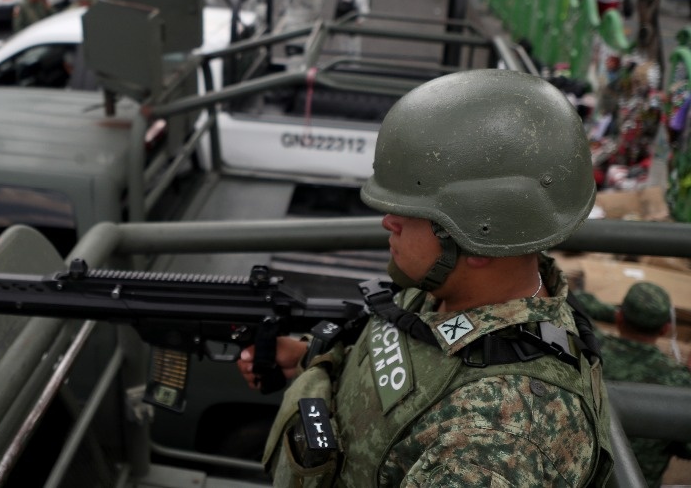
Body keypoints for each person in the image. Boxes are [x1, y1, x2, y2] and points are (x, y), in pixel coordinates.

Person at [237, 69, 614, 486]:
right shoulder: (453, 291)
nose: (388, 222)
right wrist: (314, 359)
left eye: (411, 214)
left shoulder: (494, 444)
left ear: (477, 237)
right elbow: (413, 356)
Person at [576, 282, 691, 487]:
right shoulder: (678, 380)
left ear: (619, 318)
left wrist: (618, 313)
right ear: (665, 329)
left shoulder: (588, 351)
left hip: (580, 478)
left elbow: (576, 299)